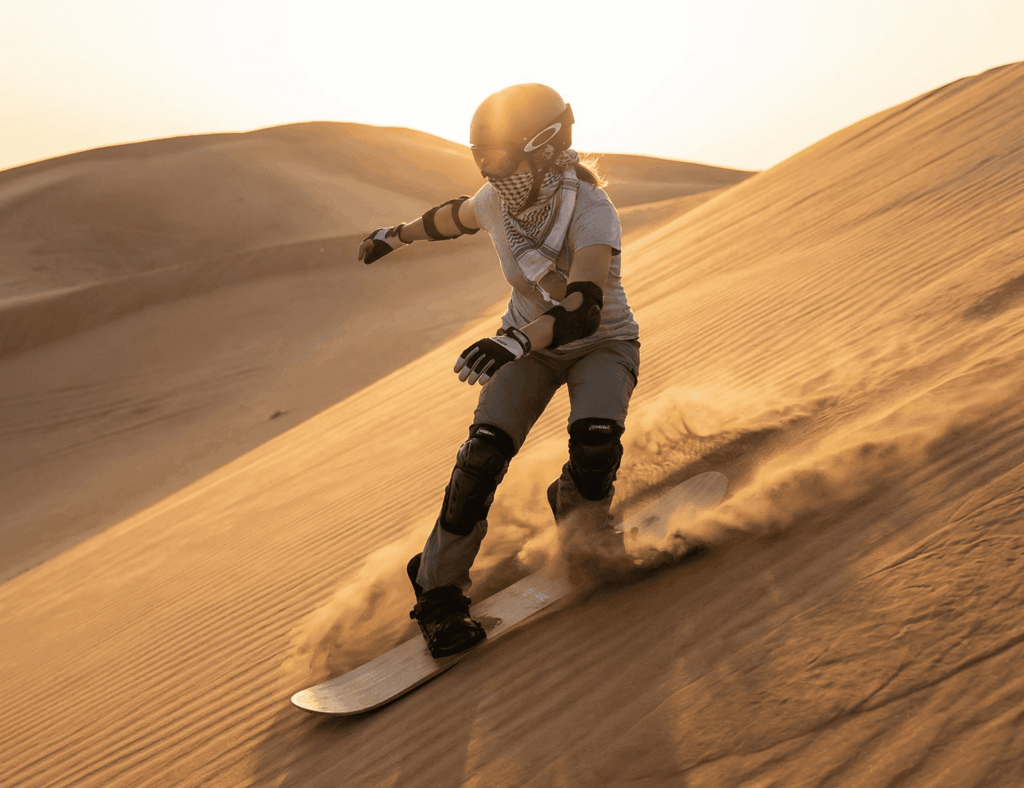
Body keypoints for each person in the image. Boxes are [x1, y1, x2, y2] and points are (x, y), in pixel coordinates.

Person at [357, 83, 640, 658]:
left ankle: (581, 524)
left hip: (600, 344)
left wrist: (514, 340)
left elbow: (584, 308)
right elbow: (452, 217)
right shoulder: (497, 201)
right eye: (479, 158)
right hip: (526, 347)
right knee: (483, 455)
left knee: (594, 441)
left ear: (545, 147)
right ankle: (436, 592)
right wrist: (396, 235)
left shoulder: (591, 211)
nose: (489, 171)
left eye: (500, 158)